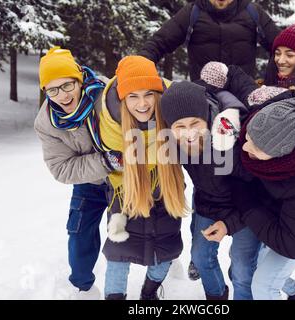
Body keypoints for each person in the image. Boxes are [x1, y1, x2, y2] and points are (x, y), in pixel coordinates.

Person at [198, 13, 295, 300]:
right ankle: (292, 289)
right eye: (277, 53)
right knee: (269, 254)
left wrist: (288, 101)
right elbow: (247, 97)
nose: (281, 60)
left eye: (290, 54)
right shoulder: (265, 81)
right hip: (270, 173)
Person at [203, 96, 295, 300]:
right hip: (277, 207)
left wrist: (244, 202)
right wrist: (229, 223)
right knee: (254, 266)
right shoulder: (265, 128)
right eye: (248, 138)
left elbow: (291, 244)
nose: (245, 147)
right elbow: (252, 188)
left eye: (256, 147)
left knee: (263, 285)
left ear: (281, 155)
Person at [97, 56, 188, 300]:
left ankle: (149, 294)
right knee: (118, 256)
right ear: (123, 98)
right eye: (133, 96)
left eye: (148, 94)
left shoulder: (172, 115)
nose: (142, 104)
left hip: (167, 194)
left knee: (165, 254)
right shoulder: (110, 125)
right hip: (127, 198)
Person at [159, 81, 261, 300]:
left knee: (243, 269)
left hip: (247, 207)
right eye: (179, 127)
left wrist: (230, 224)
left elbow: (256, 190)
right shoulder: (174, 143)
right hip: (208, 203)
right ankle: (217, 296)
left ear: (206, 117)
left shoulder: (230, 140)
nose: (189, 134)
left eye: (195, 123)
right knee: (200, 256)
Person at [34, 47, 115, 299]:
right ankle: (84, 288)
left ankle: (159, 269)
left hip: (122, 178)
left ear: (78, 78)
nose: (62, 95)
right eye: (53, 89)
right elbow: (61, 167)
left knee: (140, 229)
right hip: (88, 183)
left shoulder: (107, 93)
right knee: (79, 234)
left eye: (67, 85)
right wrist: (106, 161)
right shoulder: (46, 122)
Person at [139, 0, 280, 81]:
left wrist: (274, 81)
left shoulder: (253, 12)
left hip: (243, 96)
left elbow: (281, 47)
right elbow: (159, 42)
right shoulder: (192, 12)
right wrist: (137, 67)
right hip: (203, 97)